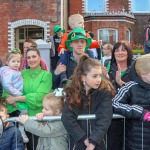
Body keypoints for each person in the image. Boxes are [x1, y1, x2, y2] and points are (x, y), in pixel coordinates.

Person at [61, 55, 115, 150]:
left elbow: (104, 119)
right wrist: (84, 138)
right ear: (83, 77)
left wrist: (93, 142)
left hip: (99, 142)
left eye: (100, 75)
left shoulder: (105, 92)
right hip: (78, 143)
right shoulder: (72, 92)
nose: (98, 79)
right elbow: (67, 117)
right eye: (94, 76)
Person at [6, 47, 52, 150]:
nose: (31, 60)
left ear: (40, 58)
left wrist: (16, 98)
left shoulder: (46, 75)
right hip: (21, 118)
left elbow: (40, 97)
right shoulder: (22, 73)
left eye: (34, 56)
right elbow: (11, 89)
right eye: (28, 57)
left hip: (38, 120)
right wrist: (10, 98)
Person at [113, 54, 150, 150]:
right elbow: (115, 103)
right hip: (137, 143)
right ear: (143, 74)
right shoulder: (130, 87)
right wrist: (139, 112)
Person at [102, 41, 133, 150]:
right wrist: (106, 79)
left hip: (130, 114)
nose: (120, 53)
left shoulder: (134, 68)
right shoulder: (108, 66)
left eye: (123, 50)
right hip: (113, 114)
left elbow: (137, 90)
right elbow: (106, 90)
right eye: (117, 50)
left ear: (128, 52)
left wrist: (121, 83)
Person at [0, 49, 29, 143]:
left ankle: (19, 132)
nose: (16, 63)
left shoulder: (15, 71)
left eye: (18, 61)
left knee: (22, 112)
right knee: (22, 111)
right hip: (11, 94)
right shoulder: (8, 72)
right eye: (13, 61)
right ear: (8, 62)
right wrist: (19, 94)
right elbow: (7, 85)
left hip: (14, 94)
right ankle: (20, 131)